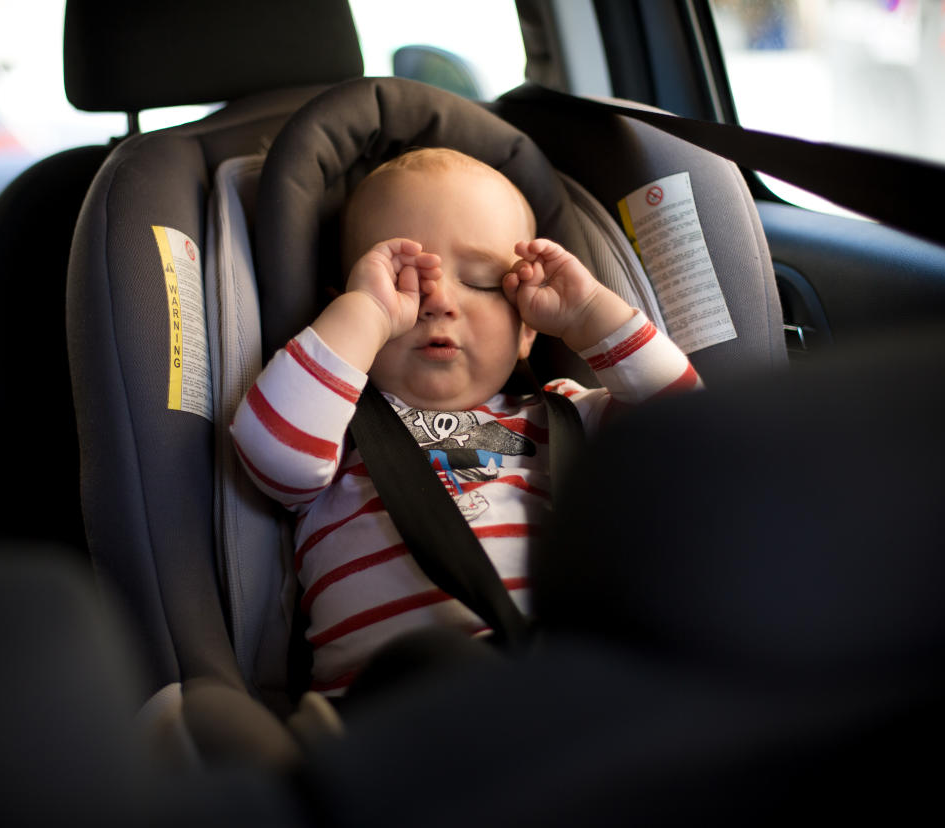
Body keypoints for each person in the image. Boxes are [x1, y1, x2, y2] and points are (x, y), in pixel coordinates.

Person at [230, 148, 700, 697]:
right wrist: (368, 313)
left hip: (577, 695)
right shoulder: (332, 428)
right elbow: (272, 449)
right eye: (402, 282)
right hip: (398, 717)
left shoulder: (565, 414)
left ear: (528, 328)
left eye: (480, 281)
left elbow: (690, 436)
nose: (439, 301)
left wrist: (590, 312)